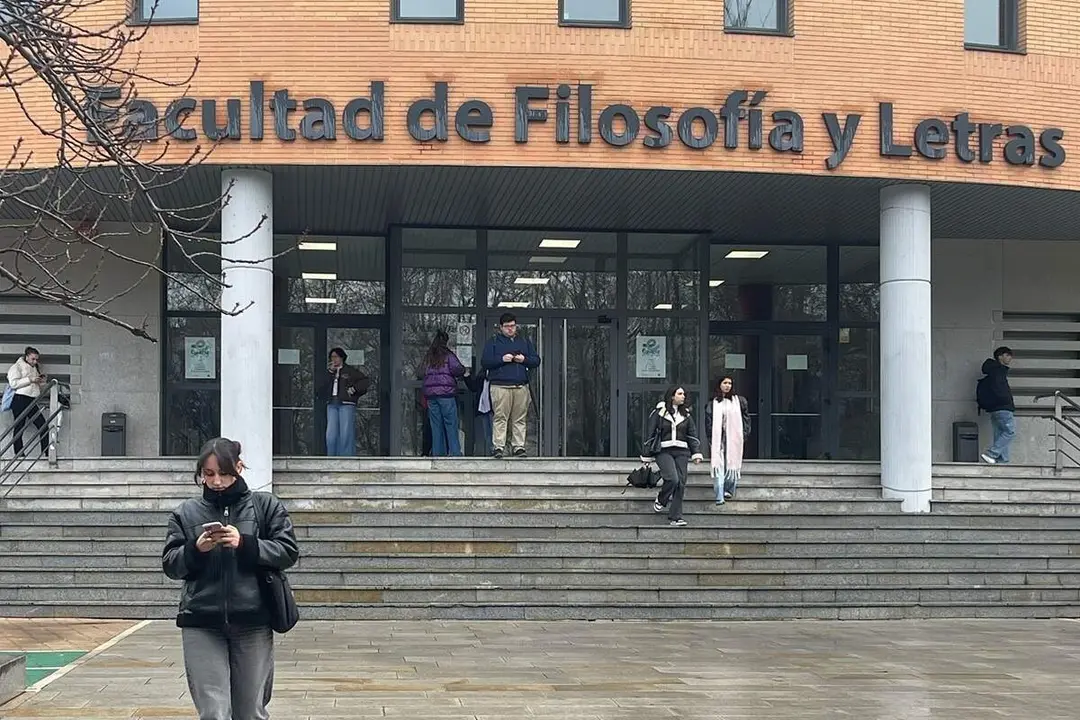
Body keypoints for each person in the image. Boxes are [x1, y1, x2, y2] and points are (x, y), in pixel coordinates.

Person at [162, 437, 299, 720]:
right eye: (209, 474)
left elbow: (287, 551)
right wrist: (195, 550)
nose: (216, 481)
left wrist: (245, 543)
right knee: (214, 712)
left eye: (224, 473)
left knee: (250, 712)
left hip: (253, 619)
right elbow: (171, 565)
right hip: (201, 620)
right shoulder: (185, 513)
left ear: (238, 467)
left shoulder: (265, 506)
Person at [641, 386, 703, 527]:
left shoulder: (686, 414)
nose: (683, 396)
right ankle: (662, 499)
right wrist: (646, 455)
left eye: (684, 394)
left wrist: (696, 453)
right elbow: (651, 433)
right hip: (663, 451)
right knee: (672, 479)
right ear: (672, 396)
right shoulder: (659, 412)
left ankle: (676, 517)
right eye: (680, 394)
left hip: (682, 452)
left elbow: (692, 435)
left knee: (681, 483)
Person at [481, 313, 540, 458]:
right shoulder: (493, 342)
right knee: (500, 417)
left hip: (521, 386)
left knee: (519, 418)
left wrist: (524, 359)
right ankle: (498, 447)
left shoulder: (524, 341)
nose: (510, 329)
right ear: (501, 327)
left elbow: (536, 360)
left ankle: (518, 447)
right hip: (500, 386)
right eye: (507, 326)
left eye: (513, 326)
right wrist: (502, 359)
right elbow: (485, 362)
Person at [704, 376, 751, 504]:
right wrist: (711, 437)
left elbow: (746, 419)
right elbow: (708, 422)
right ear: (719, 385)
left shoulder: (739, 401)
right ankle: (719, 494)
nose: (727, 385)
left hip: (734, 437)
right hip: (718, 437)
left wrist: (744, 434)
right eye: (725, 383)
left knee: (732, 462)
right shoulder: (713, 403)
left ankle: (729, 488)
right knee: (719, 463)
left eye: (730, 383)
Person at [421, 330, 467, 457]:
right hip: (446, 395)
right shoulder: (448, 355)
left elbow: (420, 371)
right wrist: (465, 370)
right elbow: (458, 369)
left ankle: (438, 454)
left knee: (436, 426)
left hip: (431, 396)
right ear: (446, 342)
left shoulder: (429, 356)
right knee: (451, 424)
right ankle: (455, 453)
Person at [323, 348, 370, 457]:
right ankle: (331, 457)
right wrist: (330, 372)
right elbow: (321, 386)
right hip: (332, 404)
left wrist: (354, 389)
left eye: (336, 357)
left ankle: (346, 457)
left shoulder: (350, 371)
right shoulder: (329, 372)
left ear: (342, 358)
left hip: (346, 404)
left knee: (345, 432)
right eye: (332, 357)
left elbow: (365, 381)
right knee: (331, 434)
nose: (334, 359)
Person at [6, 346, 48, 457]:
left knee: (43, 425)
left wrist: (41, 382)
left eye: (36, 359)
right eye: (33, 359)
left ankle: (47, 452)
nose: (35, 362)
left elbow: (36, 387)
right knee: (19, 426)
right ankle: (19, 453)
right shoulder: (17, 367)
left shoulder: (35, 368)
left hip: (32, 399)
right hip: (20, 398)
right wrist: (30, 379)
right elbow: (13, 383)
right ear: (26, 357)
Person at [979, 346, 1016, 465]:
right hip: (1003, 407)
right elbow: (1000, 389)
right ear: (1000, 357)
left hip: (994, 408)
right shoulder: (998, 371)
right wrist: (1007, 401)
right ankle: (992, 453)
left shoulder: (992, 371)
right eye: (1007, 355)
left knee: (1000, 434)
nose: (1010, 358)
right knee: (1010, 432)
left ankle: (1002, 461)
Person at [463, 360, 494, 456]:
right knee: (487, 434)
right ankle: (491, 453)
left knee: (495, 432)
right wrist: (467, 375)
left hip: (494, 407)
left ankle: (496, 452)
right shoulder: (482, 373)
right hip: (484, 407)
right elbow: (474, 387)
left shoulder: (498, 373)